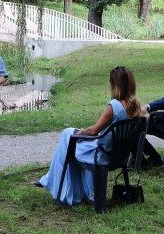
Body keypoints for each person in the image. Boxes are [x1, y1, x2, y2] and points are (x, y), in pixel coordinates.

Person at [34, 66, 141, 205]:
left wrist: (83, 131)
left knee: (67, 137)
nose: (109, 84)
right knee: (68, 133)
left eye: (110, 81)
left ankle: (57, 185)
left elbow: (93, 131)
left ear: (116, 85)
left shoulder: (114, 106)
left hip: (102, 155)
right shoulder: (136, 106)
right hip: (119, 155)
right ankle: (61, 185)